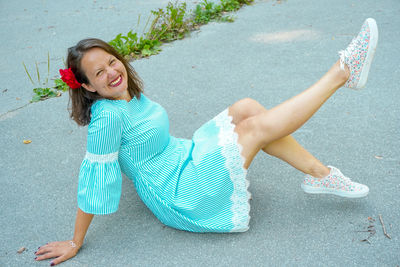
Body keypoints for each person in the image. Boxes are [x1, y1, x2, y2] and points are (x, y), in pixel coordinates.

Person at [35, 18, 378, 266]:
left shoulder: (126, 95)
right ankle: (342, 72)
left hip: (184, 157)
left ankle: (319, 175)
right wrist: (75, 241)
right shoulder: (107, 116)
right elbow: (95, 176)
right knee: (256, 128)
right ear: (89, 87)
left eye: (111, 61)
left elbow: (137, 145)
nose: (111, 72)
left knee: (247, 107)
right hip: (179, 192)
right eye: (99, 73)